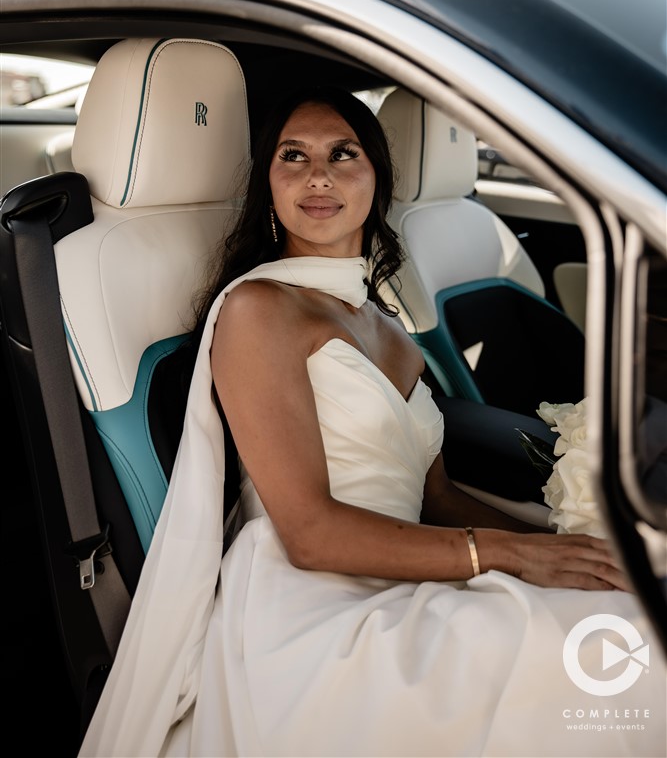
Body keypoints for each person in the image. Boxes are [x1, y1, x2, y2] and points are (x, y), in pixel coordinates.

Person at [80, 89, 665, 758]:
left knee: (628, 599)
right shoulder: (259, 311)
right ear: (267, 184)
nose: (318, 176)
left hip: (409, 563)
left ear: (375, 176)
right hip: (314, 603)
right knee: (618, 652)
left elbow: (435, 495)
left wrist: (573, 545)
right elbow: (306, 534)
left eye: (342, 154)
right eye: (291, 156)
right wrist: (510, 554)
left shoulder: (385, 326)